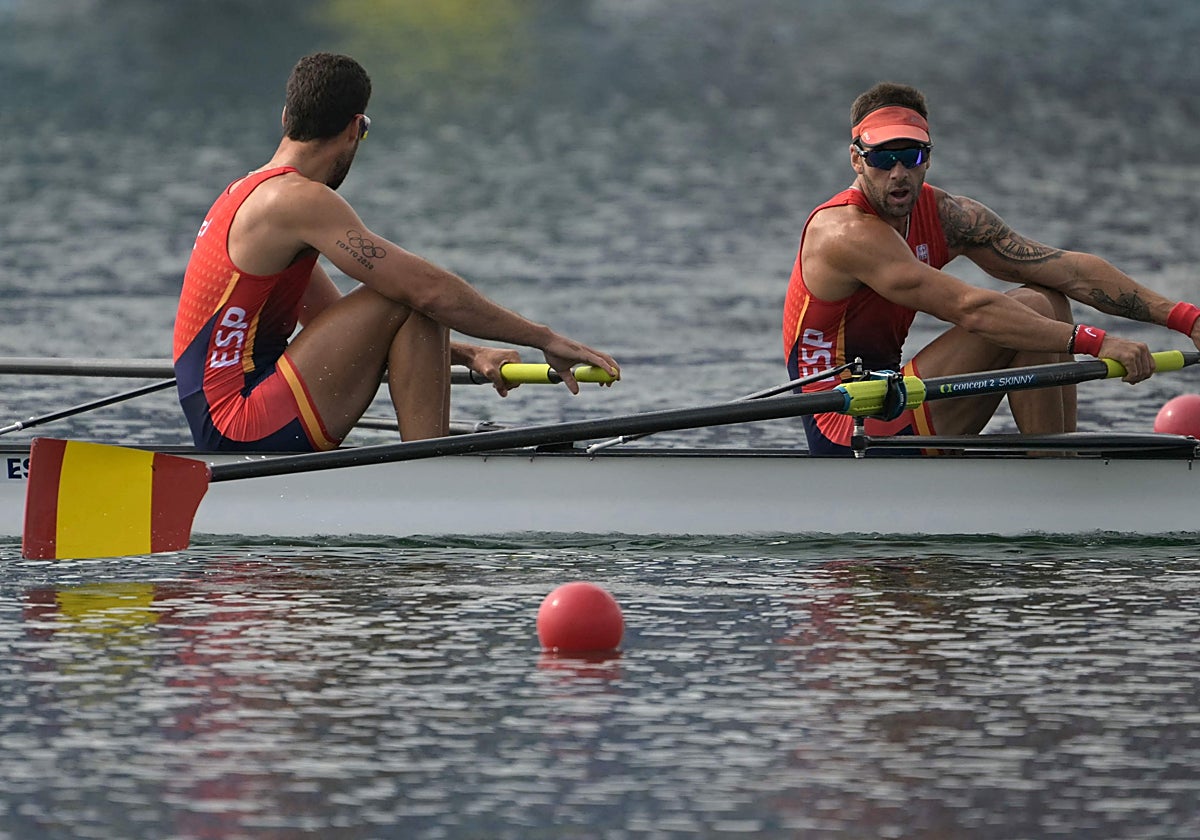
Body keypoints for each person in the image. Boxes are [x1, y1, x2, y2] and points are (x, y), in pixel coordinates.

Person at [173, 52, 619, 452]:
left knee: (405, 297)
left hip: (226, 416)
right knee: (408, 294)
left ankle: (424, 471)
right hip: (243, 423)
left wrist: (469, 354)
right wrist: (546, 339)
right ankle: (429, 479)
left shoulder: (246, 194)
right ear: (354, 127)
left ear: (287, 115)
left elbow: (338, 324)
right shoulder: (299, 200)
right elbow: (423, 292)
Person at [782, 81, 1200, 455]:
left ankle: (1058, 463)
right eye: (882, 158)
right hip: (844, 423)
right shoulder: (844, 233)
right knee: (1027, 309)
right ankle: (1053, 476)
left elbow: (1067, 270)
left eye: (910, 156)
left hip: (896, 398)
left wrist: (1185, 318)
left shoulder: (948, 215)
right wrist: (1097, 342)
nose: (898, 173)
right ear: (856, 160)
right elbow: (970, 310)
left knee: (1044, 295)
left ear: (927, 157)